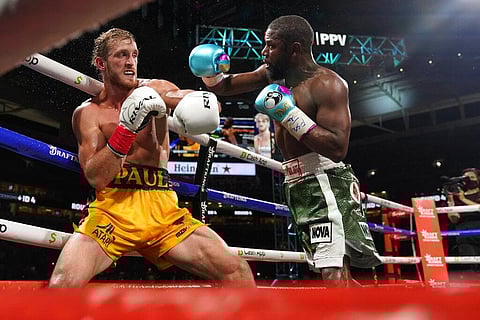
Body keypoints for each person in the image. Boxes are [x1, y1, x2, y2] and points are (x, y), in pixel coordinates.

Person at [48, 28, 255, 288]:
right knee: (62, 285)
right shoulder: (88, 113)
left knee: (237, 271)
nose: (130, 62)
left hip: (164, 211)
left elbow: (190, 99)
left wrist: (204, 101)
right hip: (113, 212)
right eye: (121, 55)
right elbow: (96, 176)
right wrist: (126, 130)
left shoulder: (154, 89)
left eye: (134, 55)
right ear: (101, 63)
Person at [189, 15, 381, 286]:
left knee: (331, 268)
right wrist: (210, 72)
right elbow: (225, 86)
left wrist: (288, 114)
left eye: (271, 46)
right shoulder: (271, 75)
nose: (263, 52)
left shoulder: (327, 85)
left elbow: (337, 148)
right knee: (334, 266)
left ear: (295, 50)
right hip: (297, 181)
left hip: (324, 180)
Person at [446, 168, 480, 275]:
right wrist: (451, 201)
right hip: (465, 235)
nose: (469, 180)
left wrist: (463, 199)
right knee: (473, 269)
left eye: (472, 177)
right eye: (466, 178)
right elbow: (454, 219)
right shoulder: (457, 195)